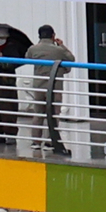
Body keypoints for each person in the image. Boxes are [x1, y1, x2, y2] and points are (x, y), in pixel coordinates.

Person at [27, 23, 78, 157]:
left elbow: (27, 58)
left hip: (38, 86)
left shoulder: (33, 49)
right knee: (54, 114)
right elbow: (71, 59)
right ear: (53, 35)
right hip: (54, 86)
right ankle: (50, 141)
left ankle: (36, 142)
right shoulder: (58, 50)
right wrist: (61, 45)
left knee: (38, 114)